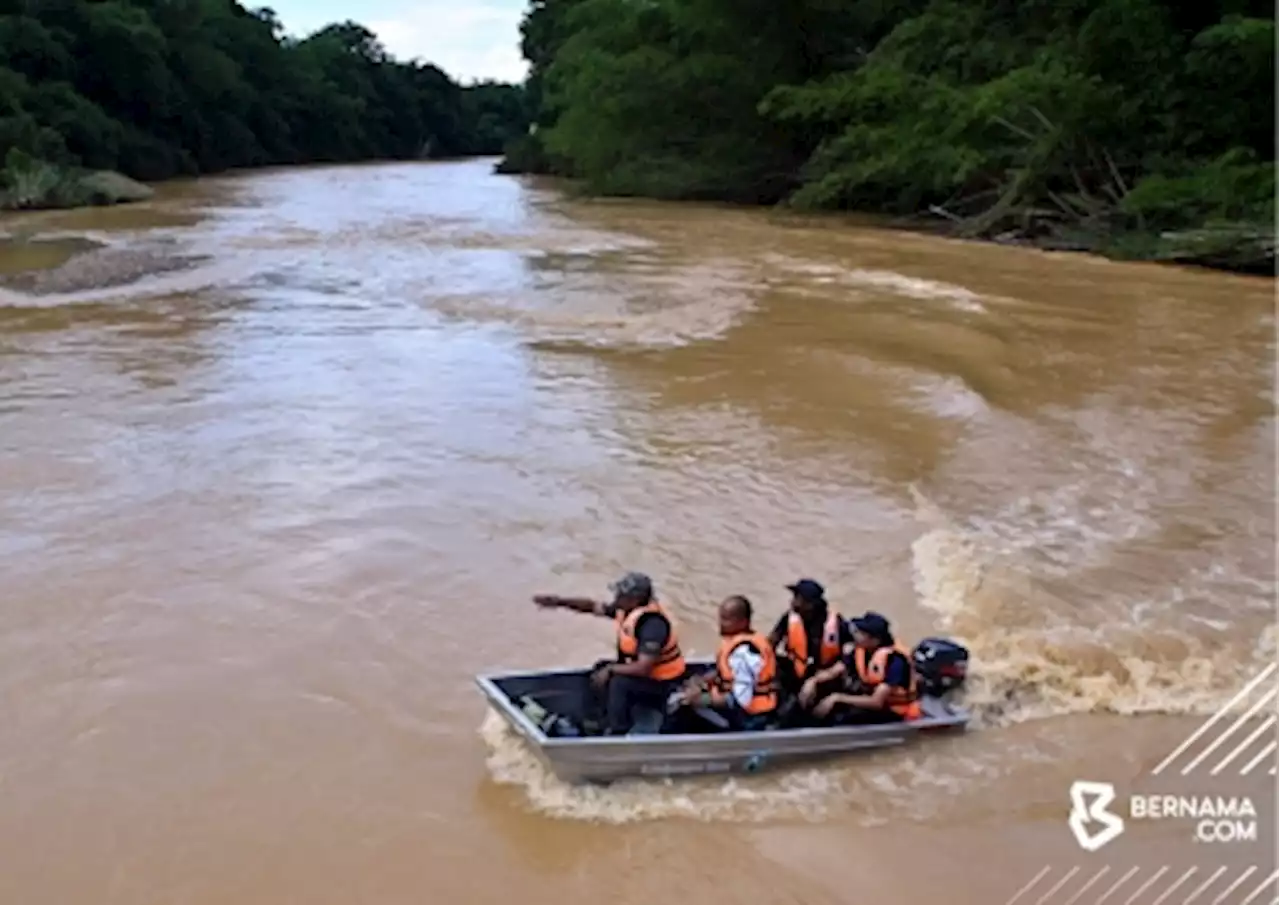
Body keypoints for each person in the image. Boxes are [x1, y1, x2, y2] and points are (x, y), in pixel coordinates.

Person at [533, 571, 687, 735]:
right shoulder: (626, 610)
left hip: (665, 685)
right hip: (646, 679)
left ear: (634, 599)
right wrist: (559, 602)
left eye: (620, 595)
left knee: (619, 682)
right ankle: (594, 722)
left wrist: (612, 669)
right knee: (600, 667)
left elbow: (643, 668)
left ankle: (618, 731)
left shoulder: (653, 625)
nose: (616, 598)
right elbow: (591, 607)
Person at [674, 595, 778, 731]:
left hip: (749, 718)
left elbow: (741, 700)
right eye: (721, 618)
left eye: (726, 619)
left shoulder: (743, 653)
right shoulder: (738, 642)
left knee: (685, 708)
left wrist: (701, 699)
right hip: (740, 709)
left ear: (743, 622)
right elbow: (725, 672)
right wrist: (701, 682)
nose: (721, 623)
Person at [812, 611, 921, 724]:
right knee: (825, 690)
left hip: (892, 710)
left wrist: (837, 698)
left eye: (861, 633)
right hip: (866, 697)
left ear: (875, 640)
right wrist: (813, 681)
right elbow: (834, 671)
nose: (856, 635)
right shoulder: (860, 651)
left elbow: (876, 702)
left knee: (844, 719)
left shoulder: (895, 662)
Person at [767, 578, 853, 721]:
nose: (792, 602)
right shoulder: (789, 618)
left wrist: (817, 680)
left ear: (810, 605)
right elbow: (769, 645)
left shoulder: (836, 624)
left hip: (825, 678)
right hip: (796, 672)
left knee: (794, 713)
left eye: (796, 598)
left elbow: (852, 656)